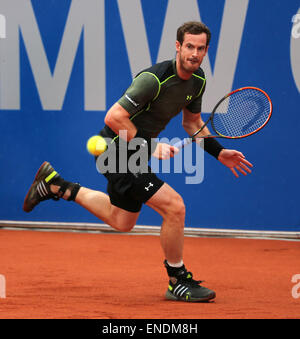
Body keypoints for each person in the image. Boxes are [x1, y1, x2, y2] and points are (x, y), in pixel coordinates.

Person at [23, 21, 253, 302]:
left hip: (134, 153)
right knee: (174, 207)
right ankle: (177, 280)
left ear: (206, 51)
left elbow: (192, 123)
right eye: (189, 46)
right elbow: (113, 117)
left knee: (122, 221)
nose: (194, 53)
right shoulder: (153, 79)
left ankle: (56, 185)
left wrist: (218, 152)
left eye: (200, 48)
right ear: (178, 47)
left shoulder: (198, 81)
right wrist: (150, 145)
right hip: (115, 149)